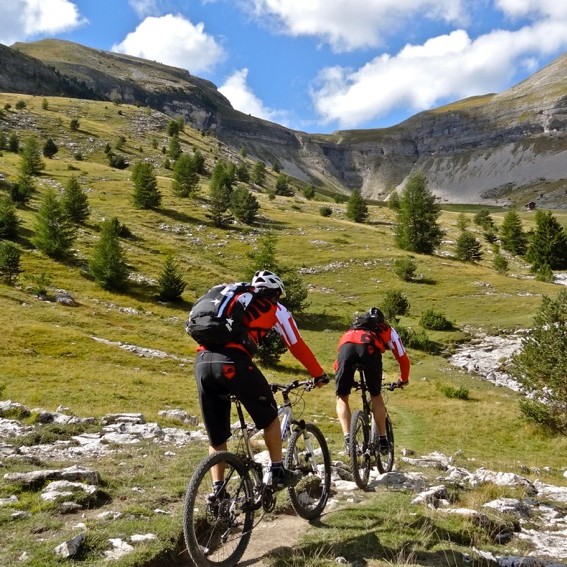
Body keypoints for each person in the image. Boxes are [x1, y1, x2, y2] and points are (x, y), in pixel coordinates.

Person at [193, 270, 329, 493]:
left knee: (217, 438)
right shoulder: (275, 308)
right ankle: (277, 471)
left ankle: (218, 493)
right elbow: (296, 344)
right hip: (234, 362)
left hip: (202, 363)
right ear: (275, 293)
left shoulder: (229, 296)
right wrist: (318, 374)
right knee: (270, 419)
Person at [334, 307, 410, 455]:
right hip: (369, 350)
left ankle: (348, 440)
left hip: (346, 349)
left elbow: (338, 363)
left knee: (342, 397)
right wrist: (404, 379)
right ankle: (382, 440)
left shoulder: (351, 330)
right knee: (376, 395)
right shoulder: (387, 329)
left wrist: (347, 379)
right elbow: (402, 358)